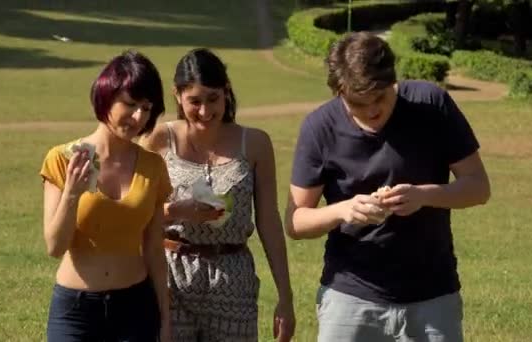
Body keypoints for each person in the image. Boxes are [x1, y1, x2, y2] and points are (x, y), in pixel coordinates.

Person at [285, 32, 491, 342]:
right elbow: (295, 221)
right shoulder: (319, 127)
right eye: (357, 103)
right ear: (338, 91)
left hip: (432, 295)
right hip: (350, 296)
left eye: (380, 97)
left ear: (393, 80)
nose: (371, 111)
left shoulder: (431, 104)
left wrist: (424, 195)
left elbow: (478, 187)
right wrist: (344, 210)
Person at [140, 47, 295, 342]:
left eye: (213, 99)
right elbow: (137, 215)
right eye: (194, 101)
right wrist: (176, 211)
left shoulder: (255, 143)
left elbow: (269, 221)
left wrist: (285, 297)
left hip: (232, 279)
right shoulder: (159, 140)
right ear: (177, 96)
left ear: (226, 91)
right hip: (171, 277)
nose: (205, 111)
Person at [40, 51, 172, 341]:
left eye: (147, 108)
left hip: (136, 309)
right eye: (130, 104)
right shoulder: (62, 159)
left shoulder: (153, 166)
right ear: (106, 96)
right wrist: (72, 193)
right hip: (75, 313)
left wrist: (166, 317)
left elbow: (153, 249)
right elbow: (55, 246)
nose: (139, 117)